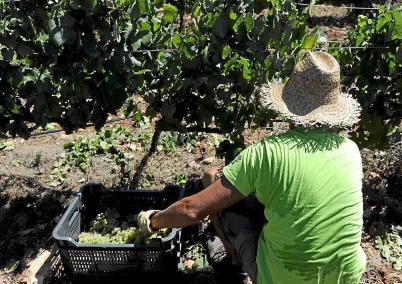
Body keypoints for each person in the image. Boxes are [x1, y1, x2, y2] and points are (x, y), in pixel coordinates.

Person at [138, 51, 366, 284]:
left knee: (214, 185)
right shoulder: (351, 150)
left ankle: (232, 256)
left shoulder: (268, 153)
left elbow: (191, 210)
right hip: (345, 277)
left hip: (283, 278)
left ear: (288, 102)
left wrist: (153, 221)